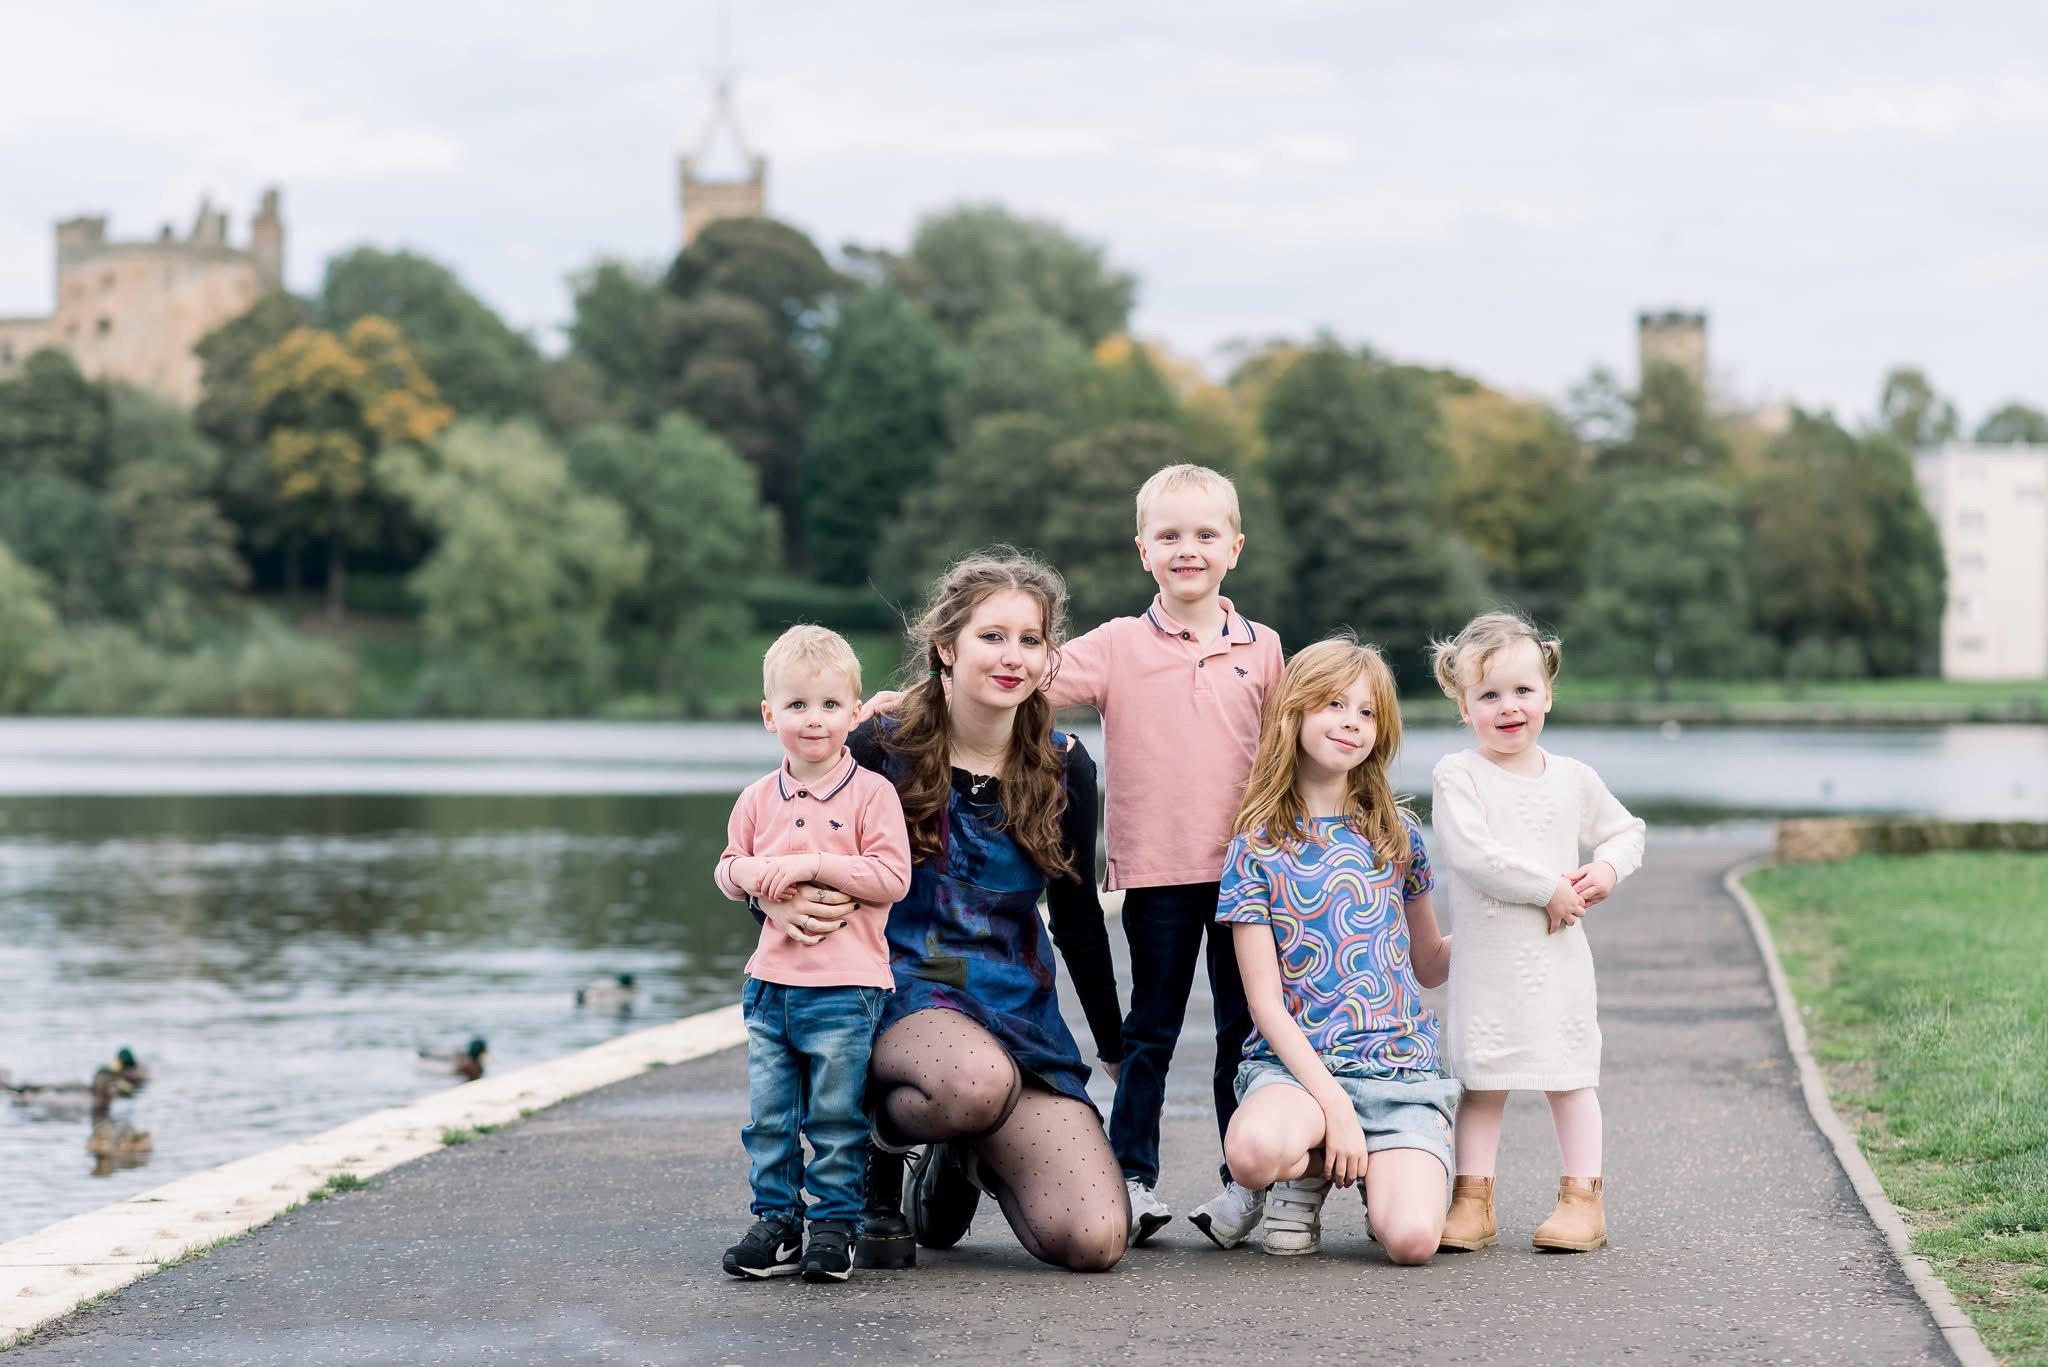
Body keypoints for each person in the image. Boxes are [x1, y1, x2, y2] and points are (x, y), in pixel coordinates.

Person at [784, 551, 1127, 1273]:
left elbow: (1076, 915)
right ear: (947, 646)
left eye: (1030, 639)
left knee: (1093, 1239)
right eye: (992, 637)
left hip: (1013, 1006)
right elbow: (789, 854)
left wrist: (1116, 1043)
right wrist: (780, 916)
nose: (1013, 658)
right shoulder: (878, 747)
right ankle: (880, 1149)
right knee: (970, 1081)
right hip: (903, 988)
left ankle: (962, 1159)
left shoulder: (1066, 767)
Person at [1037, 462, 1285, 1248]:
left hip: (1250, 877)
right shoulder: (1116, 646)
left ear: (1235, 548)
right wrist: (910, 697)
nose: (1188, 549)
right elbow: (1013, 676)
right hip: (1157, 873)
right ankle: (1132, 1178)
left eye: (1205, 534)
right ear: (1143, 548)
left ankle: (1242, 1183)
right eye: (1170, 535)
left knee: (1244, 1033)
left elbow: (1299, 749)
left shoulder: (1266, 648)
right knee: (1153, 1028)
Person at [1214, 637, 1457, 1264]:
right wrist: (1336, 1108)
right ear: (1294, 713)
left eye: (1368, 711)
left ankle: (1380, 1168)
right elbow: (1265, 1004)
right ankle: (1312, 1165)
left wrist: (1515, 918)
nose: (1351, 722)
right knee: (1251, 1155)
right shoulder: (1256, 846)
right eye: (1333, 704)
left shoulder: (1396, 836)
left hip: (1397, 1070)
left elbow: (1430, 964)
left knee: (1410, 1242)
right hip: (1297, 1071)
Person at [1428, 612, 1646, 1254]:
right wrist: (1548, 887)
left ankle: (1583, 1199)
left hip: (1556, 963)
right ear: (1464, 706)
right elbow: (1473, 854)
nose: (1508, 707)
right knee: (1482, 1081)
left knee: (1569, 1076)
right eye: (1489, 695)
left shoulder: (1572, 777)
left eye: (1522, 691)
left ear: (1548, 693)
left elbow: (1626, 830)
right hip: (1487, 966)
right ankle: (1473, 1201)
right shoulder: (1458, 775)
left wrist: (1603, 869)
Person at [713, 625, 913, 1282]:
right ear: (770, 714)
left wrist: (814, 861)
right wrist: (753, 879)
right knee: (770, 1117)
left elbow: (891, 877)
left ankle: (835, 1223)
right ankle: (777, 1221)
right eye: (797, 705)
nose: (814, 720)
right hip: (770, 988)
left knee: (834, 1113)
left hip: (847, 989)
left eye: (830, 705)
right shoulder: (755, 798)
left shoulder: (871, 795)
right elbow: (728, 866)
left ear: (855, 714)